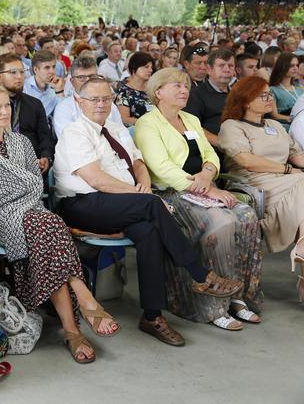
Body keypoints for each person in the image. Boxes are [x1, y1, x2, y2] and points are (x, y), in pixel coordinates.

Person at [55, 76, 244, 346]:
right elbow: (96, 179)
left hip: (121, 202)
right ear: (78, 101)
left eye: (106, 98)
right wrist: (141, 195)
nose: (101, 104)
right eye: (93, 99)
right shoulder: (75, 132)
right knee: (153, 204)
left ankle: (152, 316)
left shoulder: (114, 127)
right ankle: (200, 275)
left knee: (149, 232)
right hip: (83, 204)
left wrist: (143, 185)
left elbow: (138, 162)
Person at [0, 83, 120, 364]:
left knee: (45, 225)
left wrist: (21, 191)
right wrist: (21, 190)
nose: (5, 111)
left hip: (30, 213)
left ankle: (71, 330)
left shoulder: (22, 142)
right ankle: (83, 299)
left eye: (7, 105)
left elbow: (35, 188)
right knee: (50, 222)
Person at [135, 68, 263, 329]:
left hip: (203, 185)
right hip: (172, 193)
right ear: (158, 92)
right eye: (176, 86)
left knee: (246, 215)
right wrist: (207, 189)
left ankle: (238, 296)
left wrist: (207, 174)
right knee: (221, 223)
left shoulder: (191, 119)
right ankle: (214, 306)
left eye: (185, 86)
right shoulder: (147, 123)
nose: (184, 90)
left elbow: (211, 154)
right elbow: (161, 168)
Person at [218, 76, 304, 301]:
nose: (270, 99)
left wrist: (291, 169)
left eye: (270, 94)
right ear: (246, 101)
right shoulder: (232, 126)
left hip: (288, 180)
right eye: (263, 95)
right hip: (253, 182)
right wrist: (286, 170)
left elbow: (297, 154)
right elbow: (246, 160)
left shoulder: (275, 125)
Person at [0, 53, 54, 173]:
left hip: (32, 166)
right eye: (13, 72)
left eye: (22, 72)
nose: (19, 76)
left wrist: (46, 157)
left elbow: (45, 137)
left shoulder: (35, 104)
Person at [52, 55, 125, 138]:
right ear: (72, 81)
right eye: (81, 78)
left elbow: (123, 135)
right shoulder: (63, 109)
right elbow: (71, 141)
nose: (87, 81)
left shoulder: (110, 105)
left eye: (92, 77)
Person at [184, 49, 235, 147]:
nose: (227, 69)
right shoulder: (196, 95)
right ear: (209, 69)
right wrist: (222, 143)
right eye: (221, 65)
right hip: (214, 149)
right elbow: (192, 127)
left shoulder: (237, 94)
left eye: (230, 66)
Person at [23, 49, 65, 119]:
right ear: (35, 70)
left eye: (54, 67)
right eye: (47, 67)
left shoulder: (55, 88)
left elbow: (63, 115)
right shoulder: (24, 88)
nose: (52, 71)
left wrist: (59, 91)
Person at [115, 52, 155, 125]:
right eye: (146, 67)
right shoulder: (124, 92)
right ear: (134, 69)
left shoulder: (152, 89)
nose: (150, 70)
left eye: (151, 67)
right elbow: (124, 119)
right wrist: (149, 123)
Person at [269, 53, 304, 122]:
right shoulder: (272, 89)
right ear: (282, 66)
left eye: (297, 65)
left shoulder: (300, 88)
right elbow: (274, 115)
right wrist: (294, 119)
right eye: (291, 65)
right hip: (286, 125)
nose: (295, 68)